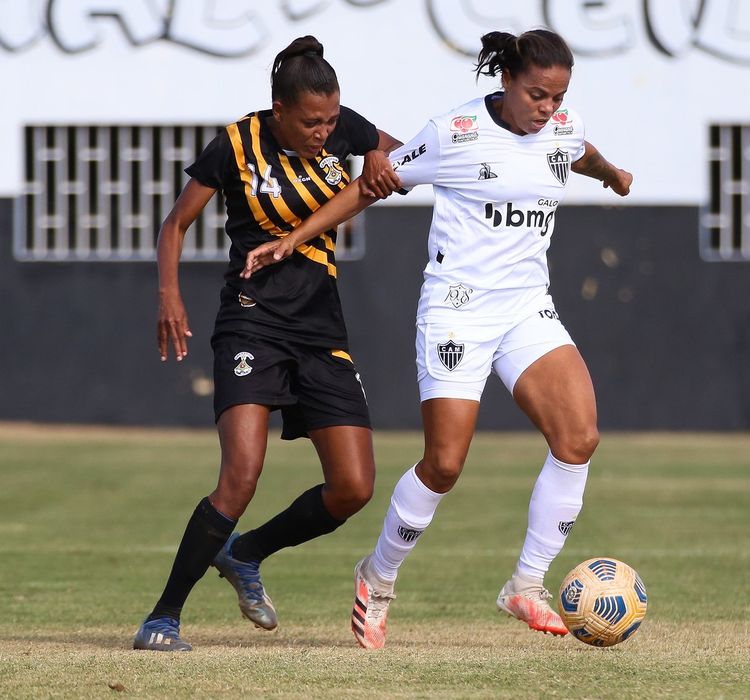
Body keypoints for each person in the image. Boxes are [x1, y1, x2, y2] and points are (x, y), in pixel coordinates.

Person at [242, 28, 632, 650]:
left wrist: (612, 174)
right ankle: (377, 576)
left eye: (558, 97)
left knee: (579, 437)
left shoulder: (560, 125)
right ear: (507, 81)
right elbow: (370, 185)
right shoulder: (454, 133)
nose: (548, 109)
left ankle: (525, 585)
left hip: (526, 307)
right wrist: (293, 239)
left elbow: (577, 149)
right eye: (537, 94)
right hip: (457, 310)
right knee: (445, 464)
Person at [133, 35, 403, 652]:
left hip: (320, 328)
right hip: (251, 320)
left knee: (354, 487)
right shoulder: (236, 143)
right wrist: (169, 295)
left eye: (332, 119)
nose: (323, 131)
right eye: (311, 121)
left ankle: (245, 553)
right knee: (241, 475)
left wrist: (375, 162)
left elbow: (394, 153)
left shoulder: (343, 129)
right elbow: (176, 224)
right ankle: (163, 618)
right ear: (278, 110)